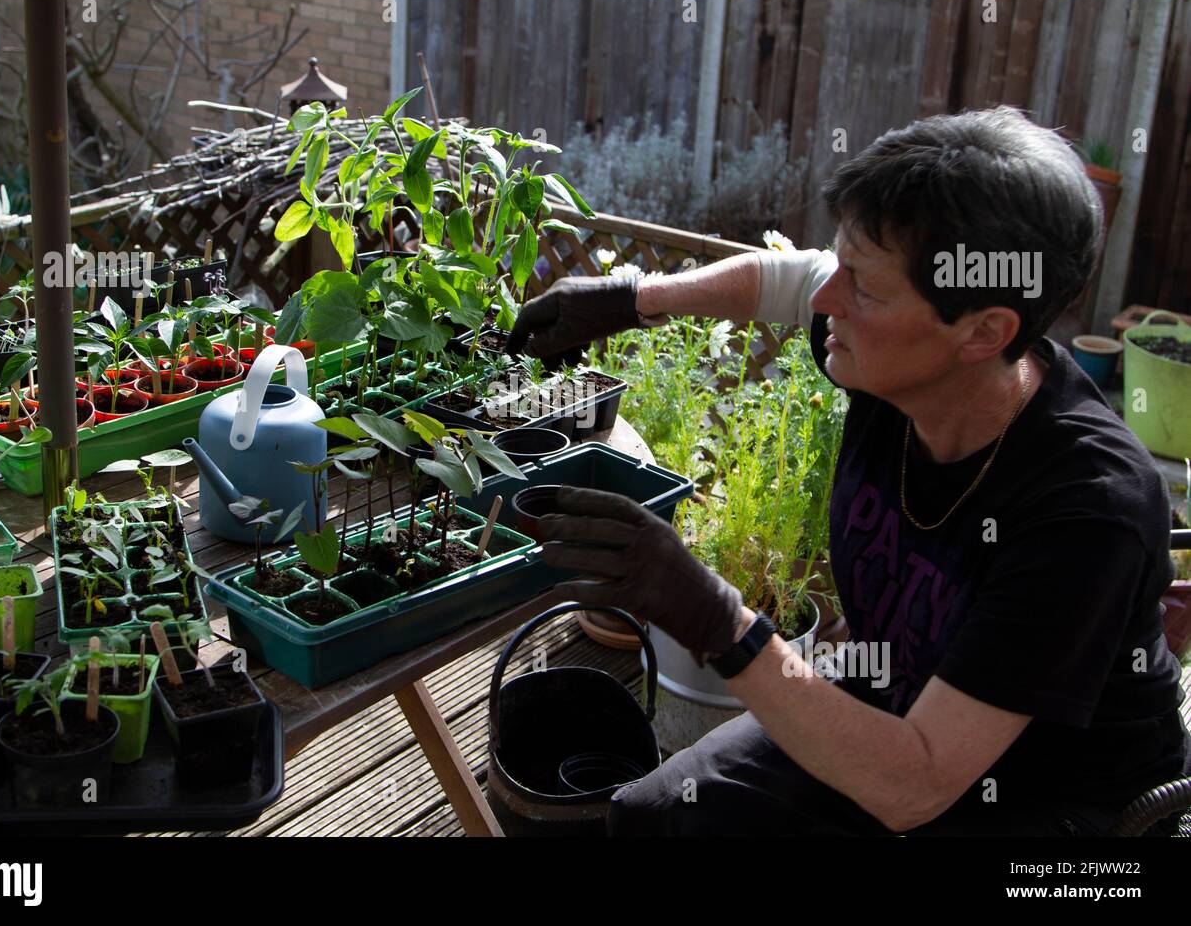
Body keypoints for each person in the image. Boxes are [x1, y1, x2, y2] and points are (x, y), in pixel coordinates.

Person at [505, 107, 1191, 836]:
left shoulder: (1084, 510)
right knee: (652, 816)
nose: (830, 299)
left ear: (987, 330)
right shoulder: (893, 350)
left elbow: (914, 784)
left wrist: (715, 617)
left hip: (1047, 808)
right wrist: (628, 299)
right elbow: (794, 279)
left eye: (863, 286)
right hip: (889, 693)